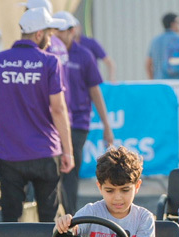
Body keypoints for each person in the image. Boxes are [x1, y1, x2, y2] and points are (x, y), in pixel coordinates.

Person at [0, 8, 74, 223]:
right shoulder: (50, 62)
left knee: (12, 220)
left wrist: (6, 95)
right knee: (50, 221)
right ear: (39, 34)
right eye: (49, 34)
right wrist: (68, 152)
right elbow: (58, 109)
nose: (50, 40)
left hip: (10, 154)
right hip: (45, 151)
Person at [53, 10, 114, 215]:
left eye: (62, 31)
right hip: (52, 122)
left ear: (72, 31)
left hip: (77, 123)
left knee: (70, 172)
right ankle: (49, 217)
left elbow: (95, 92)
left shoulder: (84, 55)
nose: (57, 35)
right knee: (50, 172)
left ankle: (70, 217)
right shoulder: (48, 52)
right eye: (54, 30)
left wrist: (106, 125)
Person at [146, 13, 179, 80]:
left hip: (159, 82)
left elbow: (148, 64)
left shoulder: (155, 41)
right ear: (173, 24)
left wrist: (152, 80)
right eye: (178, 23)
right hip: (176, 82)